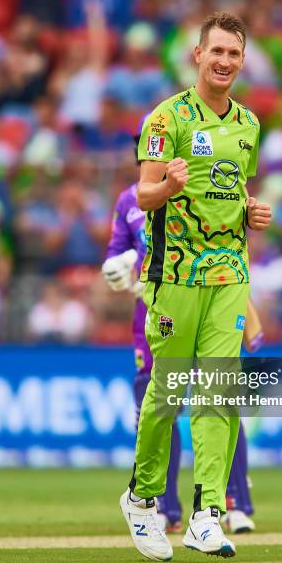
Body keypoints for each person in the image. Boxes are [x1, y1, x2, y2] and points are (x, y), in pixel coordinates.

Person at [119, 11, 271, 561]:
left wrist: (251, 212)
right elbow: (142, 196)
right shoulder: (166, 119)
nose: (225, 61)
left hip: (229, 270)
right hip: (174, 274)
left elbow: (235, 190)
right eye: (217, 52)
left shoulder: (249, 124)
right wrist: (168, 186)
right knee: (168, 393)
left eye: (234, 53)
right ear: (198, 57)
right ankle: (141, 498)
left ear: (242, 60)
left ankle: (207, 514)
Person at [102, 174, 257, 534]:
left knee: (220, 395)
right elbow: (116, 253)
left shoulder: (206, 187)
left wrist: (248, 310)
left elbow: (228, 251)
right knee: (159, 401)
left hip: (204, 301)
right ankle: (161, 506)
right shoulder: (130, 200)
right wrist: (119, 272)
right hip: (153, 310)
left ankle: (232, 503)